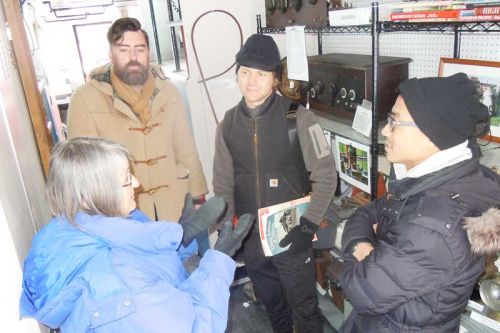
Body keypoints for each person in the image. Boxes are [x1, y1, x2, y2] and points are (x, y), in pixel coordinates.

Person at [19, 137, 253, 333]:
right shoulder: (120, 286)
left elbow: (142, 263)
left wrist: (181, 241)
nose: (137, 183)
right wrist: (219, 262)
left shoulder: (78, 227)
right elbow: (196, 326)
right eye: (126, 181)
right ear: (88, 196)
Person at [339, 73, 500, 333]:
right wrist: (364, 247)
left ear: (431, 134)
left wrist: (362, 247)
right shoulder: (429, 179)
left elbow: (357, 288)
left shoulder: (432, 227)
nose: (384, 130)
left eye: (394, 122)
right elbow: (368, 212)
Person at [213, 34, 337, 333]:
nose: (250, 81)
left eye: (260, 74)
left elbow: (326, 176)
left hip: (292, 236)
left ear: (275, 79)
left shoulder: (300, 119)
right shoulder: (227, 124)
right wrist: (227, 231)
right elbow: (223, 184)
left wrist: (308, 226)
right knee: (273, 307)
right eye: (244, 72)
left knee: (305, 309)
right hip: (252, 239)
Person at [67, 17, 207, 221]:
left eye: (140, 49)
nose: (133, 57)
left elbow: (185, 147)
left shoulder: (168, 91)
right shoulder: (85, 100)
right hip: (121, 214)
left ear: (148, 54)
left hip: (174, 204)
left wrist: (197, 194)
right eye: (124, 50)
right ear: (111, 54)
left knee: (189, 252)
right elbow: (84, 171)